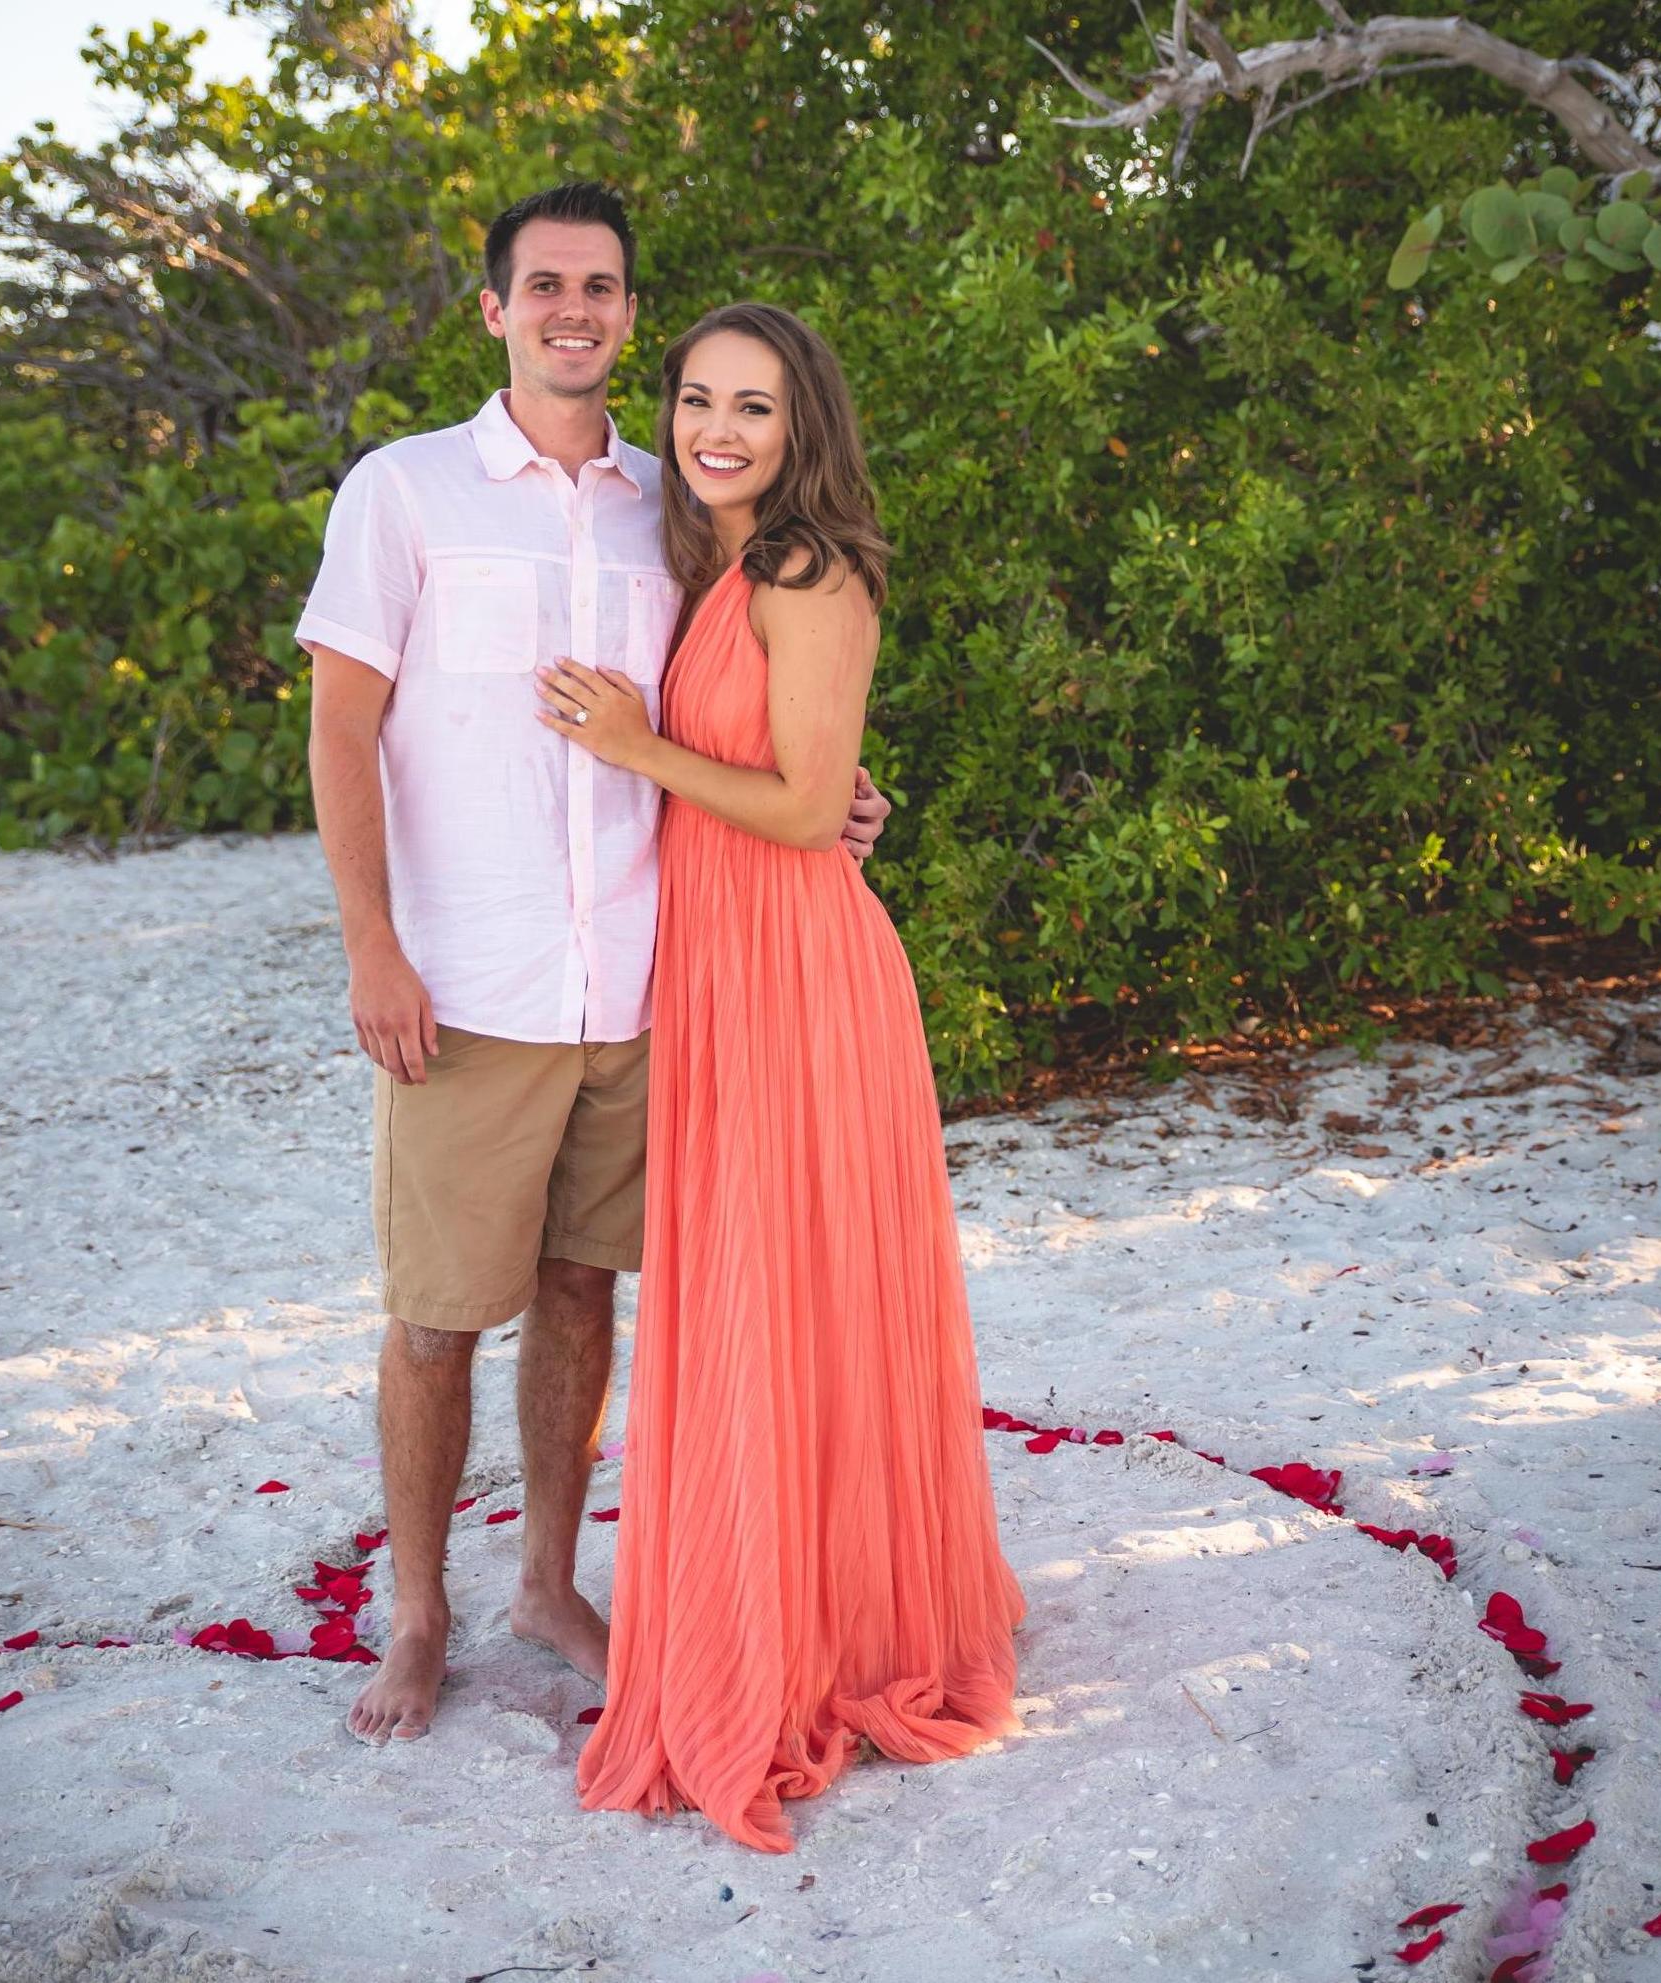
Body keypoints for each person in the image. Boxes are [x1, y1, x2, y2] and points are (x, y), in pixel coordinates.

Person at [295, 185, 892, 1746]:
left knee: (579, 1297)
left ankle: (547, 1587)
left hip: (645, 981)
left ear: (633, 312)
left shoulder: (675, 505)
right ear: (493, 309)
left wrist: (841, 796)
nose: (578, 309)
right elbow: (340, 724)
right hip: (470, 982)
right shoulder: (404, 492)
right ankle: (418, 1614)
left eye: (605, 287)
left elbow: (739, 698)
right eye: (546, 284)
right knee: (437, 1315)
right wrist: (374, 946)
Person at [543, 303, 1025, 1853]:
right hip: (732, 968)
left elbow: (811, 810)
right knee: (776, 1299)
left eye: (754, 403)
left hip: (799, 975)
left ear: (803, 422)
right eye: (695, 399)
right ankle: (796, 1604)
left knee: (785, 1297)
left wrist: (638, 747)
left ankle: (818, 1637)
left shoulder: (808, 565)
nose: (719, 427)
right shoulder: (726, 570)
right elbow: (814, 777)